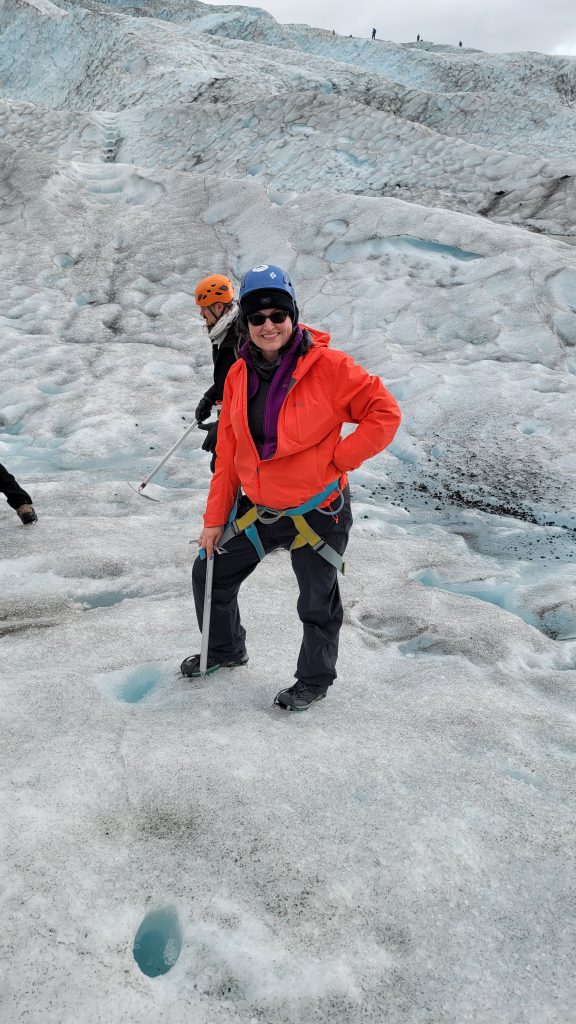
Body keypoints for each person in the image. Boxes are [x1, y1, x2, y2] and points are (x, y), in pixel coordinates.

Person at [181, 264, 401, 712]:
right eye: (257, 317)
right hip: (257, 510)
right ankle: (225, 649)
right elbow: (227, 458)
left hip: (317, 514)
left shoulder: (331, 368)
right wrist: (213, 522)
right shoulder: (239, 375)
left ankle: (314, 681)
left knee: (316, 603)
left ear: (293, 316)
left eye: (277, 315)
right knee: (210, 573)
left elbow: (384, 413)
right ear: (245, 321)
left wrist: (339, 459)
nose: (268, 325)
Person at [194, 274, 241, 472]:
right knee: (223, 468)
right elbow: (229, 381)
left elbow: (246, 392)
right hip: (232, 421)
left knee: (230, 470)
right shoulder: (224, 334)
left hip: (243, 426)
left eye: (205, 308)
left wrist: (222, 427)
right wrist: (209, 398)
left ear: (219, 307)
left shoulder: (240, 340)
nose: (202, 314)